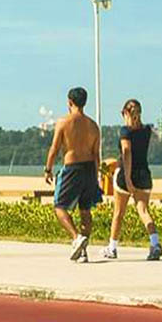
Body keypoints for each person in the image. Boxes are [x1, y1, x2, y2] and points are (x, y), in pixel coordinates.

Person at [44, 86, 103, 262]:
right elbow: (96, 154)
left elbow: (54, 148)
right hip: (89, 169)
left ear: (70, 102)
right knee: (85, 210)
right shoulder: (93, 126)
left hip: (72, 168)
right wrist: (96, 174)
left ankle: (77, 237)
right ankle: (83, 251)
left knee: (60, 207)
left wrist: (48, 169)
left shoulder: (64, 122)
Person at [102, 98, 162, 261]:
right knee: (143, 211)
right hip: (144, 174)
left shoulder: (125, 131)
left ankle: (112, 247)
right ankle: (155, 243)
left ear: (125, 113)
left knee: (118, 213)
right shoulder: (147, 130)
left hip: (126, 175)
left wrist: (128, 179)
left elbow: (127, 152)